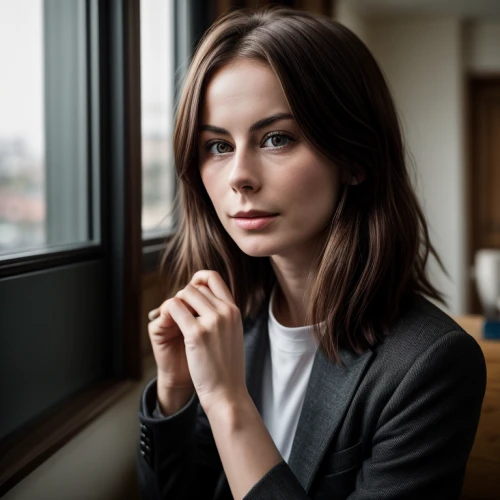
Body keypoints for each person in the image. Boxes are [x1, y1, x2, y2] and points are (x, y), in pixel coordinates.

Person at [136, 7, 486, 500]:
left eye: (276, 138)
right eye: (217, 146)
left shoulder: (431, 365)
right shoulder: (233, 324)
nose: (238, 175)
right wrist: (174, 392)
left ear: (356, 157)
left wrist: (228, 403)